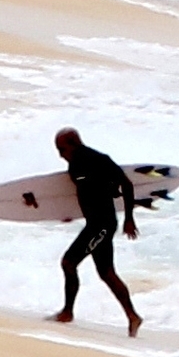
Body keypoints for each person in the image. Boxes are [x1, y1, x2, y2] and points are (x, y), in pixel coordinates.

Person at [47, 125, 143, 332]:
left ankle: (67, 312)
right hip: (94, 223)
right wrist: (68, 214)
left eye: (62, 149)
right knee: (107, 273)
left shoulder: (98, 159)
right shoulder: (73, 167)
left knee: (68, 262)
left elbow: (126, 184)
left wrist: (129, 219)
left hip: (103, 224)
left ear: (74, 144)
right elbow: (84, 194)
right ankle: (133, 317)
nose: (60, 155)